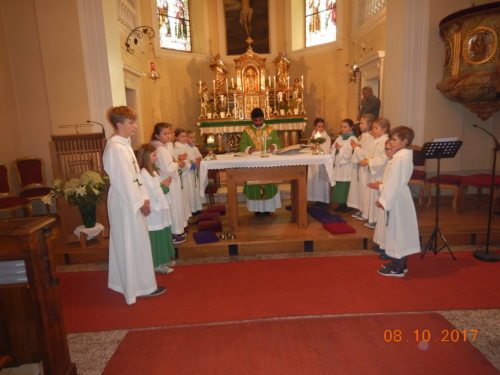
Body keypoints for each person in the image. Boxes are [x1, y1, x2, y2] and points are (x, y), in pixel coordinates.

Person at [102, 106, 165, 304]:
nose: (135, 126)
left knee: (137, 242)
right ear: (119, 124)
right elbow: (122, 180)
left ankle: (140, 283)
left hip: (132, 200)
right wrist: (139, 202)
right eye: (131, 123)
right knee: (131, 243)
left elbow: (137, 176)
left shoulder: (125, 146)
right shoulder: (115, 148)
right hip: (125, 202)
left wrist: (144, 197)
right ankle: (136, 287)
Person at [376, 126, 420, 277]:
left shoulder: (400, 159)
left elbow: (393, 183)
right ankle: (400, 264)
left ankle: (397, 268)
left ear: (405, 141)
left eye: (394, 139)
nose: (391, 142)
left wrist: (384, 200)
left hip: (396, 198)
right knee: (398, 231)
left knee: (397, 232)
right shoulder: (401, 157)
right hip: (398, 197)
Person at [137, 143, 175, 274]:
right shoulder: (143, 173)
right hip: (154, 211)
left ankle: (164, 259)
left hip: (160, 209)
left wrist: (162, 185)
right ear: (146, 157)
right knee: (157, 236)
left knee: (164, 232)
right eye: (153, 155)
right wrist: (164, 186)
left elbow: (156, 187)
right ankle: (156, 263)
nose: (156, 157)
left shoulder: (152, 171)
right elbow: (153, 192)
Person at [239, 107, 282, 216]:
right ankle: (256, 210)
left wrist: (274, 146)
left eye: (260, 120)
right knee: (255, 184)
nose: (258, 123)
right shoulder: (247, 131)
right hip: (253, 165)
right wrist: (249, 148)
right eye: (256, 121)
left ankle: (268, 208)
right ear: (252, 120)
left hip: (267, 163)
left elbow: (278, 143)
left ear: (263, 118)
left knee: (268, 182)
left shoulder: (271, 130)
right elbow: (242, 145)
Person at [151, 123, 189, 244]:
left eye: (169, 133)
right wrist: (179, 164)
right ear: (157, 135)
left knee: (176, 205)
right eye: (164, 133)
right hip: (169, 181)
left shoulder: (163, 147)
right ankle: (174, 233)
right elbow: (168, 168)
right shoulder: (161, 149)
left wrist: (177, 162)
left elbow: (168, 163)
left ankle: (177, 230)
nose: (168, 136)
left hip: (171, 179)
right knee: (173, 206)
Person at [359, 117, 390, 229]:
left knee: (376, 195)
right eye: (373, 128)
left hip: (379, 173)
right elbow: (370, 153)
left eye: (376, 128)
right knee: (370, 195)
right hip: (372, 171)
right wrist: (366, 160)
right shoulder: (375, 140)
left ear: (384, 129)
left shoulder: (385, 142)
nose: (374, 130)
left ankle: (377, 220)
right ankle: (371, 218)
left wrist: (369, 161)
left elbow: (383, 159)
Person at [368, 140, 396, 257]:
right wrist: (381, 184)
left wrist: (379, 186)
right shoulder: (391, 162)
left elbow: (394, 184)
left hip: (390, 198)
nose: (385, 152)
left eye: (387, 149)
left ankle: (389, 249)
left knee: (389, 223)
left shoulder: (396, 163)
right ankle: (383, 245)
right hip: (385, 193)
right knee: (383, 222)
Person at [348, 114, 375, 220]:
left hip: (365, 167)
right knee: (360, 188)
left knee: (364, 188)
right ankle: (361, 208)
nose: (359, 125)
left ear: (369, 125)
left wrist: (356, 147)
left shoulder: (370, 137)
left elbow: (367, 153)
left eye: (362, 123)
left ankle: (366, 211)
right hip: (359, 166)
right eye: (360, 122)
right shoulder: (363, 136)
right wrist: (356, 147)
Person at [331, 119, 357, 213]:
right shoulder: (340, 137)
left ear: (351, 127)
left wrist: (340, 149)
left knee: (346, 185)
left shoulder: (353, 139)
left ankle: (347, 205)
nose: (343, 129)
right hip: (339, 166)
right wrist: (336, 149)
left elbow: (350, 153)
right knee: (339, 185)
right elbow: (333, 148)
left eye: (345, 127)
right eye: (341, 127)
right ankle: (341, 204)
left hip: (347, 166)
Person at [307, 118, 332, 205]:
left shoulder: (326, 137)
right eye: (318, 126)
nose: (321, 128)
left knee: (321, 182)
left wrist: (317, 148)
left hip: (321, 163)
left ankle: (323, 200)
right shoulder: (313, 135)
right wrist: (311, 147)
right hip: (313, 163)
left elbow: (326, 150)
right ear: (314, 127)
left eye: (322, 126)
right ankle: (314, 198)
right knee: (314, 181)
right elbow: (310, 145)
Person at [186, 130, 205, 214]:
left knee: (196, 190)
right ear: (186, 138)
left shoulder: (194, 148)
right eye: (191, 138)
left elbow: (200, 157)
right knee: (192, 192)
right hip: (189, 173)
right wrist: (195, 162)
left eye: (194, 137)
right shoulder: (185, 148)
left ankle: (197, 207)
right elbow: (189, 161)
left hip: (195, 172)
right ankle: (193, 209)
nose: (193, 139)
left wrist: (199, 161)